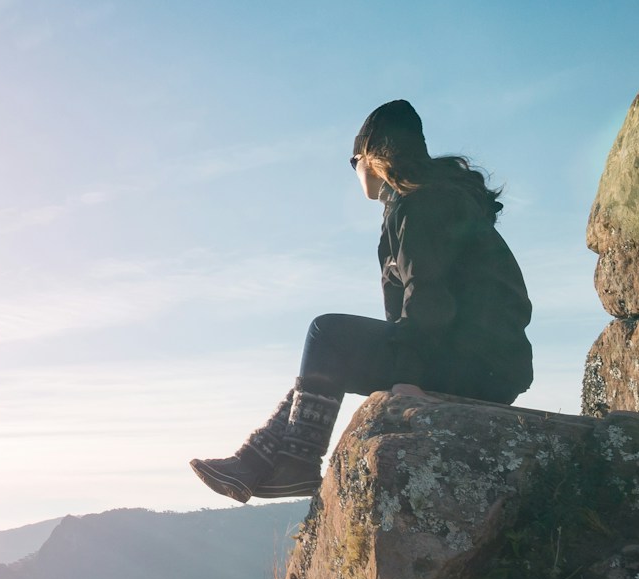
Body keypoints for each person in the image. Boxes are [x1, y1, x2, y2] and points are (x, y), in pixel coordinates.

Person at [190, 99, 533, 503]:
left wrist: (409, 376)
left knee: (327, 332)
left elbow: (429, 296)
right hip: (481, 360)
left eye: (352, 161)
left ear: (369, 158)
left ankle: (297, 464)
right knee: (329, 352)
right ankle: (256, 460)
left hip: (477, 363)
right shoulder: (423, 202)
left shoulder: (420, 203)